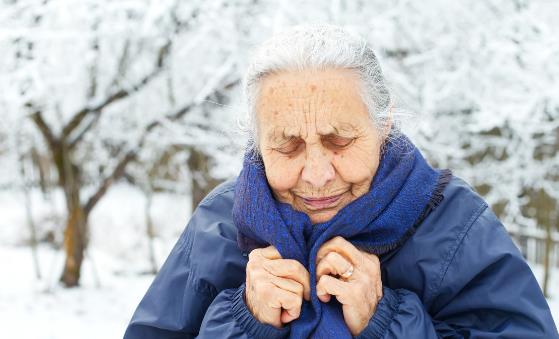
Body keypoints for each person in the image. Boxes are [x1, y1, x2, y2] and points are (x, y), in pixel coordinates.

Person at [123, 24, 558, 338]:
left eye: (339, 141)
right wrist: (244, 322)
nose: (316, 174)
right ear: (256, 143)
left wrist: (386, 321)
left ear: (383, 126)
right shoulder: (218, 224)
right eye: (287, 146)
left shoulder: (455, 226)